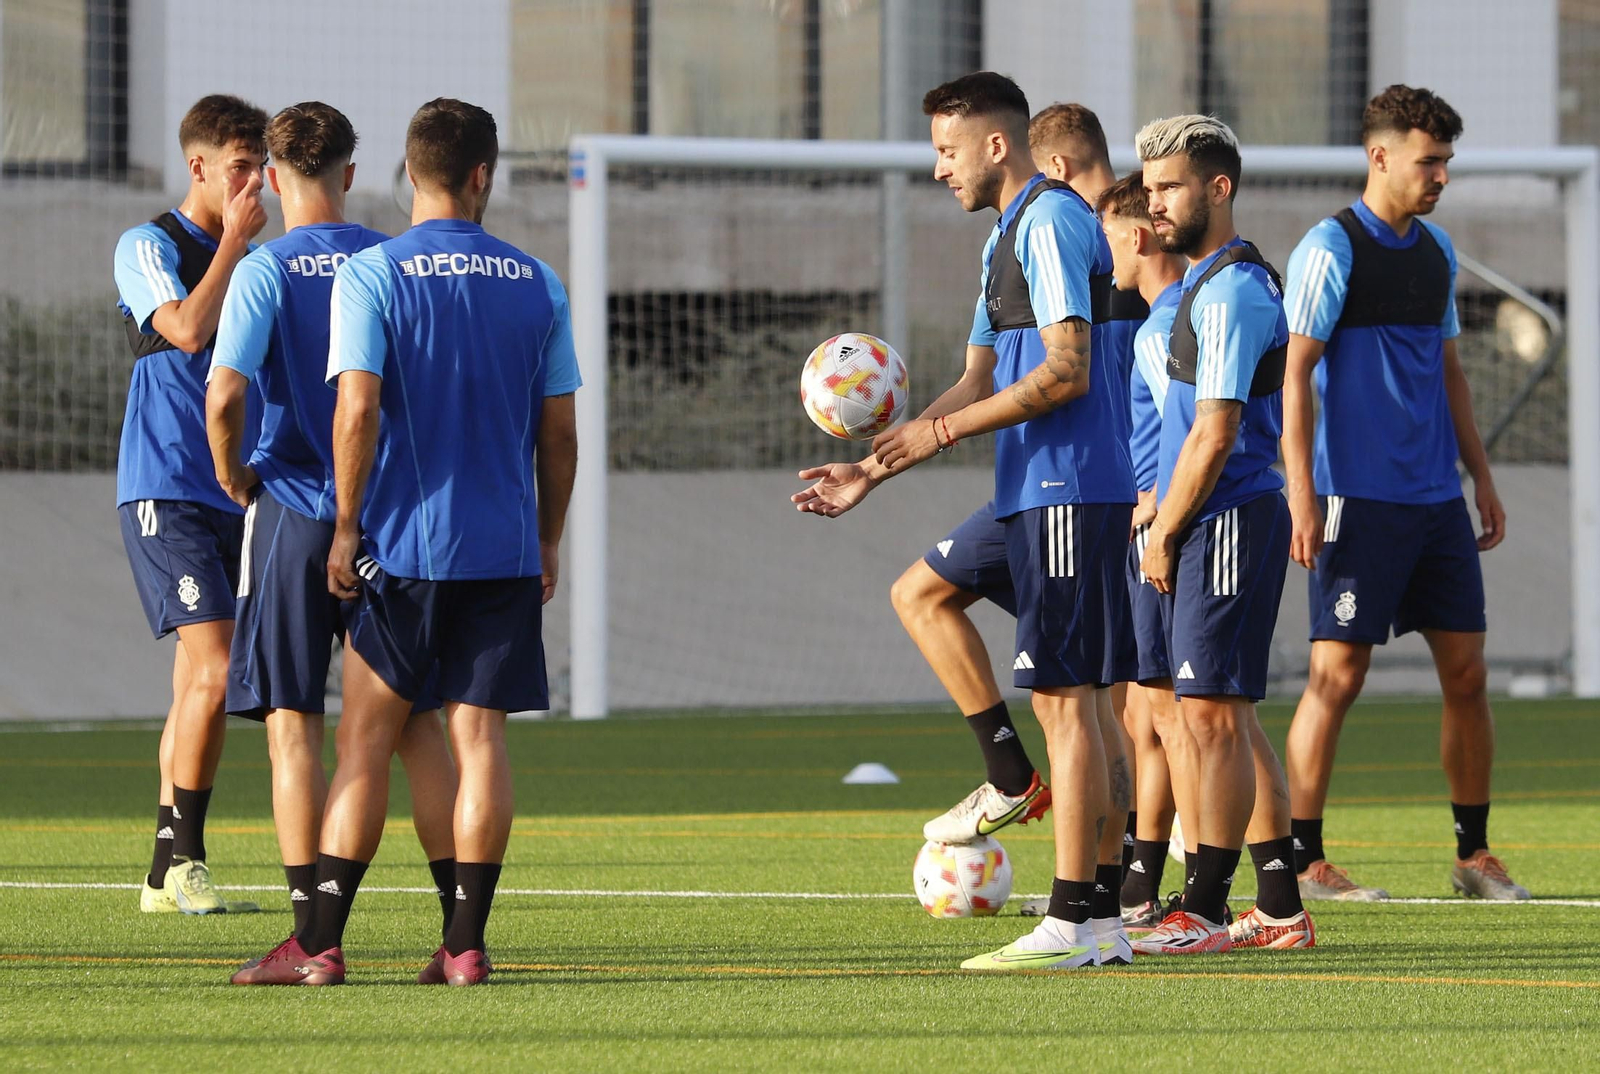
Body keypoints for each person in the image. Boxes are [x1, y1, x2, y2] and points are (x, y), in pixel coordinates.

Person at [231, 98, 580, 986]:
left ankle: (318, 944)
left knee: (363, 742)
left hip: (406, 552)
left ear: (406, 174)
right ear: (482, 175)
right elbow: (560, 435)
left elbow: (356, 410)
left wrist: (347, 528)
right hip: (504, 549)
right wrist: (548, 539)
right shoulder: (539, 282)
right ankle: (464, 945)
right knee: (479, 743)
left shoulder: (374, 274)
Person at [863, 72, 1137, 970]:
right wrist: (870, 468)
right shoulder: (1003, 238)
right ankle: (1094, 910)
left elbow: (1067, 370)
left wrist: (939, 433)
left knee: (1069, 703)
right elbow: (977, 381)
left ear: (995, 144)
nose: (940, 168)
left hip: (1069, 488)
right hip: (1033, 490)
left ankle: (1075, 920)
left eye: (948, 151)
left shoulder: (1052, 220)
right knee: (939, 603)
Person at [205, 101, 462, 939]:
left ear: (272, 178)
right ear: (351, 172)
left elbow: (224, 393)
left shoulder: (264, 270)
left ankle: (311, 935)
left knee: (293, 728)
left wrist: (232, 473)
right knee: (415, 725)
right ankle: (460, 928)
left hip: (292, 515)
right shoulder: (391, 262)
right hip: (387, 522)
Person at [1280, 85, 1526, 901]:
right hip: (1356, 500)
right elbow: (1294, 376)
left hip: (1435, 503)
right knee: (1336, 678)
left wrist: (1480, 476)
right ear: (1380, 156)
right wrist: (1302, 493)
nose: (1441, 176)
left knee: (1469, 675)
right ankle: (1305, 859)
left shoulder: (1438, 250)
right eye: (1429, 162)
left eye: (1447, 162)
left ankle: (1472, 855)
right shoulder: (1330, 248)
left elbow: (1450, 372)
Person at [1127, 115, 1314, 955]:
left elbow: (1217, 431)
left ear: (1219, 188)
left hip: (1227, 516)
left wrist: (1164, 530)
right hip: (1201, 518)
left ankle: (1203, 907)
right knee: (1219, 716)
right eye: (1151, 188)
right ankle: (1277, 908)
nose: (1155, 203)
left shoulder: (1235, 290)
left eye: (1169, 187)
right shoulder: (1201, 286)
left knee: (1210, 718)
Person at [113, 93, 268, 915]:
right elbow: (184, 329)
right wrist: (234, 245)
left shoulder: (262, 260)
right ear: (198, 165)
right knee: (216, 669)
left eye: (262, 168)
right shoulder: (149, 244)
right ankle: (187, 860)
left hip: (233, 491)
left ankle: (157, 878)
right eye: (240, 167)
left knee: (192, 688)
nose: (254, 184)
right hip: (166, 487)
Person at [1094, 170, 1189, 928]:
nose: (1105, 258)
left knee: (1186, 720)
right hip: (1155, 532)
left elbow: (1197, 425)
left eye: (1108, 240)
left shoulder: (1163, 328)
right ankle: (1142, 885)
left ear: (1136, 235)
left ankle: (1213, 890)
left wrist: (1154, 505)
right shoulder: (1171, 315)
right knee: (1153, 716)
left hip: (1165, 535)